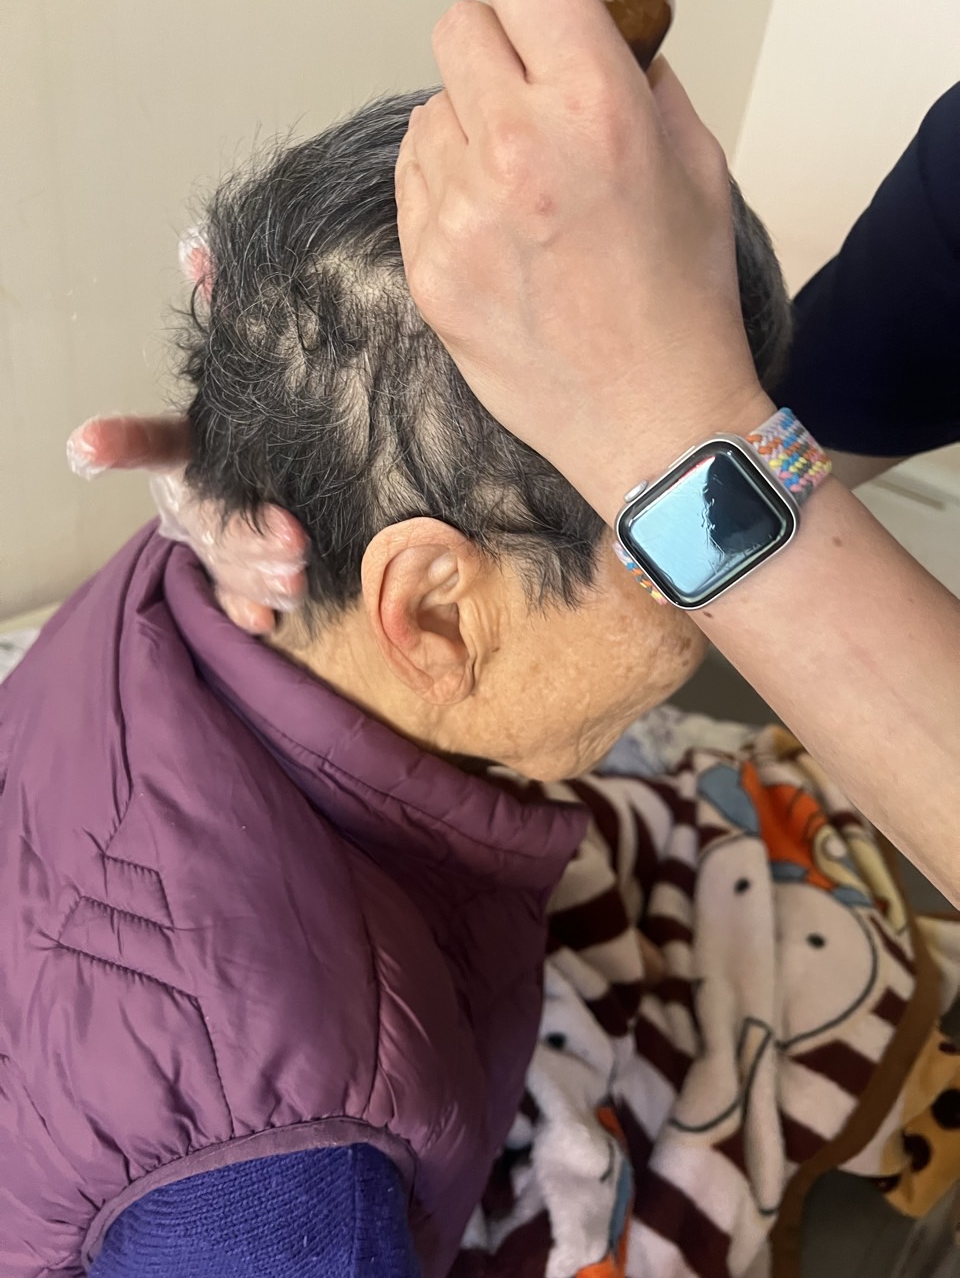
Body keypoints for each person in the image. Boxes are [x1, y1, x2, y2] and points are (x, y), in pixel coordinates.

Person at [1, 87, 796, 1277]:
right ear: (432, 610)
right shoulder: (288, 1191)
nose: (749, 588)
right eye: (703, 539)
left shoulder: (225, 542)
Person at [72, 1, 959, 900]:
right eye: (663, 565)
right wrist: (263, 429)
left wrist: (676, 427)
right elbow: (804, 427)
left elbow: (761, 435)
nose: (708, 607)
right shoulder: (321, 994)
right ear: (438, 615)